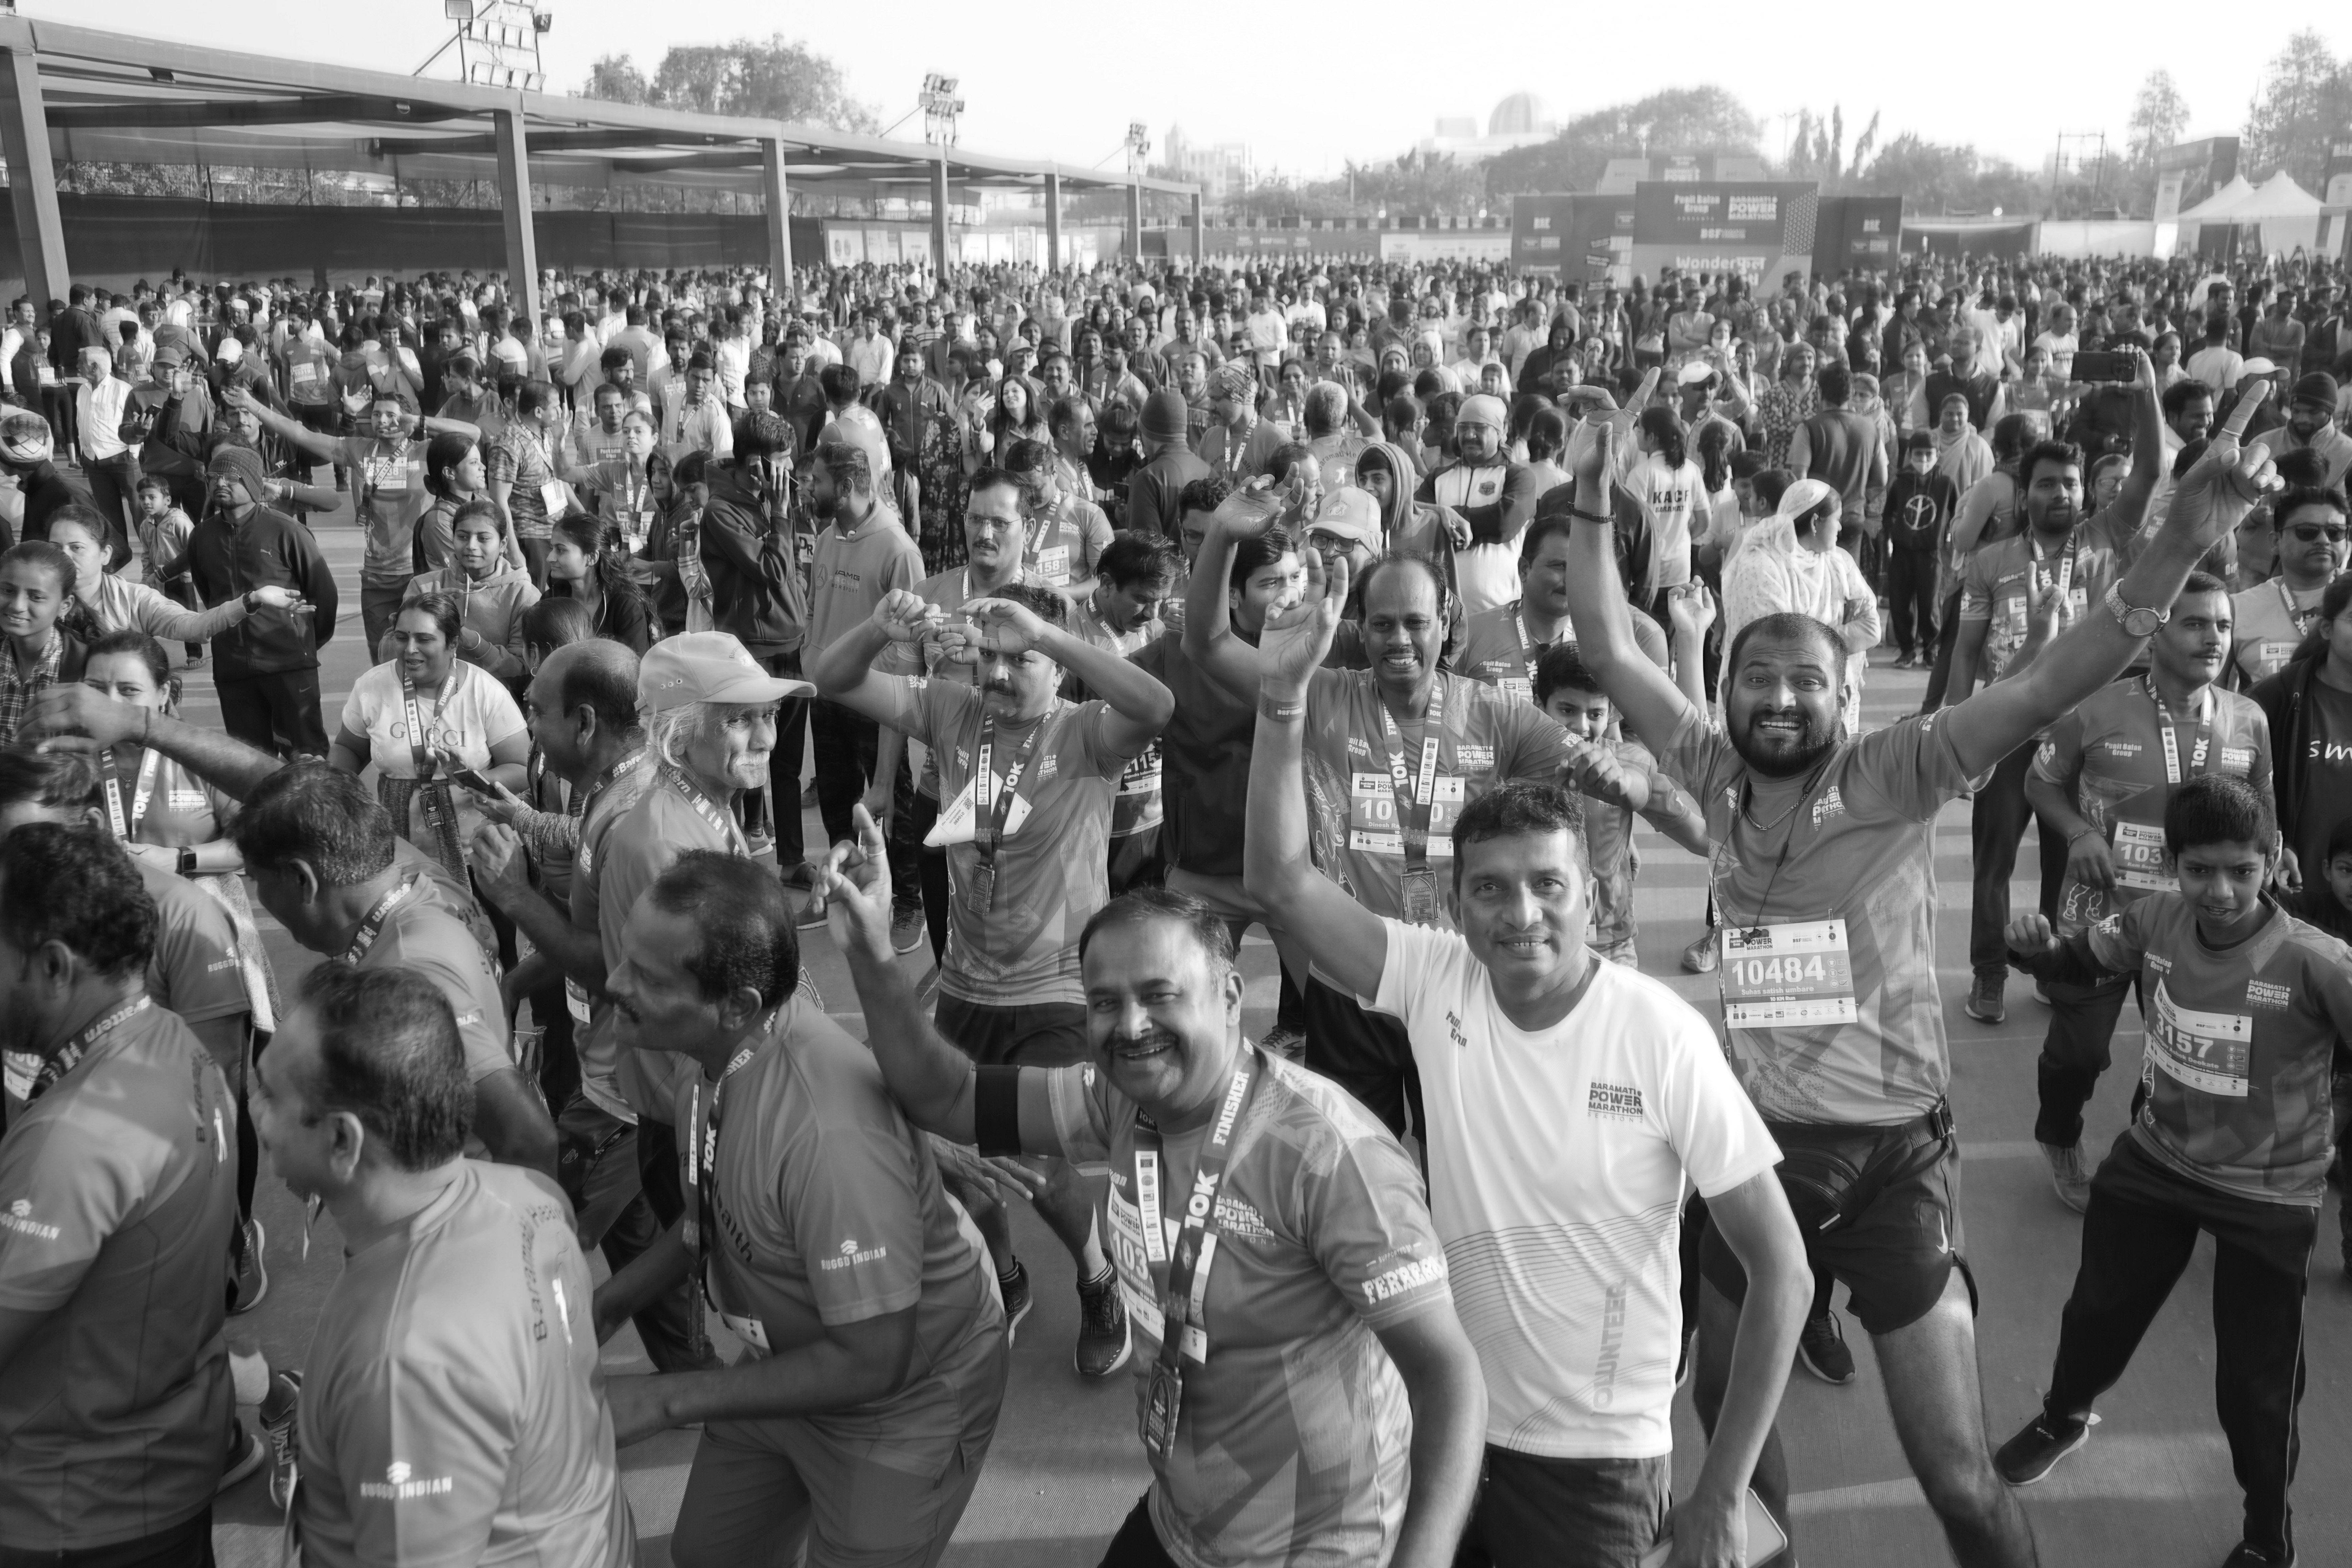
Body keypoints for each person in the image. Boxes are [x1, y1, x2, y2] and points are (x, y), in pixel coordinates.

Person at [1553, 394, 2273, 1568]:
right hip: (1747, 1161)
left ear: (1847, 704)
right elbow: (1598, 637)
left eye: (1804, 683)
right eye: (1755, 681)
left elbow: (2048, 681)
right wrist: (1592, 490)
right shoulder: (1708, 762)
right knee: (1722, 1409)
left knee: (1952, 1476)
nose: (1777, 698)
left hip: (1889, 1166)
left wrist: (2177, 545)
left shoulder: (1899, 764)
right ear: (1726, 699)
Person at [1245, 577, 1804, 1566]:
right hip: (1452, 1426)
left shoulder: (1661, 1035)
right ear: (1453, 907)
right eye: (1490, 892)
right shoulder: (1433, 977)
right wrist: (1282, 700)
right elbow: (1281, 884)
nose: (1521, 915)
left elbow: (1782, 1271)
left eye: (1548, 886)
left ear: (1590, 895)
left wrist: (1720, 1490)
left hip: (1599, 1467)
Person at [820, 835, 1487, 1568]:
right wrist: (872, 951)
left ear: (1231, 996)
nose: (1131, 1025)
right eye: (1105, 1002)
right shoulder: (1115, 1099)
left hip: (1321, 1547)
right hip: (1183, 1524)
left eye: (1160, 994)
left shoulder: (1330, 1156)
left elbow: (1449, 1378)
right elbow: (948, 1094)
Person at [590, 852, 1008, 1568]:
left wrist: (668, 1400)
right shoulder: (710, 1067)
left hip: (902, 1403)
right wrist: (600, 1310)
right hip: (786, 1365)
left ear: (738, 1005)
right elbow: (702, 1224)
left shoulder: (824, 1136)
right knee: (708, 1555)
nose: (615, 984)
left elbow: (876, 1358)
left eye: (650, 978)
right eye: (626, 958)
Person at [810, 576, 1174, 1378]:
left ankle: (1096, 1275)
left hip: (1055, 988)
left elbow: (1155, 707)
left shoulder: (1084, 732)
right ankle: (1006, 1275)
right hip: (966, 985)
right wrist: (875, 624)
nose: (1000, 678)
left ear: (1052, 661)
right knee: (946, 1155)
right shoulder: (952, 711)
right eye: (989, 663)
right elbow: (832, 679)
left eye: (1019, 662)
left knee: (1033, 1165)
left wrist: (1043, 631)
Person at [1995, 775, 2352, 1568]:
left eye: (2241, 870)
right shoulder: (2154, 916)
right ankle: (2064, 1416)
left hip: (2268, 1195)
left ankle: (2267, 1533)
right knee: (2096, 1312)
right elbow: (2081, 960)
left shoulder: (2316, 961)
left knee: (2256, 1387)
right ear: (2173, 867)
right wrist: (2034, 947)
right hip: (2156, 1160)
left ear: (2275, 861)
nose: (2219, 891)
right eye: (2199, 871)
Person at [1184, 500, 1585, 1142]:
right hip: (1349, 979)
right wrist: (1225, 538)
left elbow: (1589, 763)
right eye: (1381, 625)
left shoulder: (1494, 714)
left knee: (1459, 1168)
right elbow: (1205, 644)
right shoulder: (1318, 692)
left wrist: (1640, 777)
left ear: (1445, 620)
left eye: (1415, 623)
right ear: (1359, 628)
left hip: (1456, 979)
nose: (1398, 639)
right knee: (1354, 1167)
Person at [254, 964, 636, 1568]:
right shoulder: (528, 1198)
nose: (256, 1115)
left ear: (342, 1142)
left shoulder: (405, 1367)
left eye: (272, 1096)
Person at [0, 821, 247, 1562]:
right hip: (152, 1472)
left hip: (71, 1511)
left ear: (52, 966)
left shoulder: (72, 1138)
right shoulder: (173, 1037)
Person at [464, 638, 708, 1373]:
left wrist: (511, 895)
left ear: (583, 723)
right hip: (625, 1085)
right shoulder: (618, 793)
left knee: (523, 1229)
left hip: (625, 1091)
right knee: (640, 1231)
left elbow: (616, 973)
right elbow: (589, 869)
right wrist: (517, 983)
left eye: (536, 711)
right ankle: (692, 1372)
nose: (526, 727)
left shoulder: (639, 826)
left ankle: (489, 1384)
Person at [2021, 573, 2271, 1210]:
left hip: (2195, 923)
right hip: (2101, 912)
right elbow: (2039, 784)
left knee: (2181, 1056)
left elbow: (2263, 807)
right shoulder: (2096, 707)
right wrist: (2078, 834)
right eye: (2194, 623)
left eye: (2221, 624)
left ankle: (2148, 1152)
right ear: (2156, 631)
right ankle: (2058, 1134)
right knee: (2077, 1054)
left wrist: (2276, 851)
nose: (2212, 637)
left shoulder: (2248, 718)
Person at [230, 763, 557, 1175]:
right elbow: (303, 802)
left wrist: (537, 1237)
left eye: (257, 879)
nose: (259, 895)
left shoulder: (412, 968)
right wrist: (150, 731)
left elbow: (529, 1140)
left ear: (301, 879)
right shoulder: (405, 874)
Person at [332, 591, 530, 879]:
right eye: (402, 638)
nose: (410, 649)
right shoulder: (371, 687)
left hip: (479, 852)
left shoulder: (485, 692)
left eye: (424, 639)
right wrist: (330, 787)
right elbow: (348, 748)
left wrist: (468, 778)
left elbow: (523, 769)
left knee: (481, 924)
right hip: (397, 849)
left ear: (453, 644)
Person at [182, 444, 341, 758]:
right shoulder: (201, 537)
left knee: (308, 758)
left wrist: (303, 643)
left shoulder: (288, 531)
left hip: (289, 665)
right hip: (233, 669)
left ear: (254, 483)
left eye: (231, 477)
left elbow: (325, 597)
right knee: (249, 763)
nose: (220, 484)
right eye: (214, 477)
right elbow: (208, 595)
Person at [1722, 478, 1881, 737]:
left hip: (1828, 699)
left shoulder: (1839, 562)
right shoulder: (1762, 567)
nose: (1840, 527)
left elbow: (1872, 628)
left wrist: (1808, 641)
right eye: (1836, 519)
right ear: (1815, 522)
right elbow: (1776, 650)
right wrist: (1836, 642)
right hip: (1775, 705)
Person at [2250, 573, 2352, 934]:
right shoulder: (2278, 696)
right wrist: (2274, 841)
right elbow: (2240, 785)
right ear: (2326, 629)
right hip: (2294, 898)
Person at [1417, 394, 1543, 613]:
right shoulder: (1438, 478)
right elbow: (1414, 517)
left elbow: (1505, 522)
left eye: (1479, 428)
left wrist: (1447, 519)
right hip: (1440, 612)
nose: (1470, 435)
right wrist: (1442, 514)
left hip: (1499, 612)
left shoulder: (1519, 477)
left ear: (1501, 431)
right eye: (1464, 428)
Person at [394, 497, 540, 680]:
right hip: (429, 693)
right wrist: (425, 612)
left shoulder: (523, 595)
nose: (471, 546)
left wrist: (477, 644)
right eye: (463, 537)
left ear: (503, 544)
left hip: (495, 699)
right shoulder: (424, 587)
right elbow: (390, 653)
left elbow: (523, 667)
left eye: (483, 538)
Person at [2230, 487, 2346, 689]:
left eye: (2335, 532)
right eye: (2308, 532)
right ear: (2276, 542)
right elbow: (2215, 698)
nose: (2324, 541)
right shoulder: (2237, 609)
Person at [0, 540, 90, 747]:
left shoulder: (87, 669)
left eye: (36, 597)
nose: (17, 606)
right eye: (7, 591)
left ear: (65, 607)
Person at [1883, 432, 1959, 669]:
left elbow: (1958, 513)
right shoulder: (1900, 483)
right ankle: (1907, 650)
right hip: (1903, 552)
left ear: (1938, 455)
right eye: (1919, 454)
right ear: (1910, 455)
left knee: (1930, 603)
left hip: (1931, 553)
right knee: (1900, 603)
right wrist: (1892, 536)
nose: (1924, 459)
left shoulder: (1946, 484)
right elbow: (1889, 514)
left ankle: (1931, 649)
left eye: (1929, 454)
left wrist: (1951, 539)